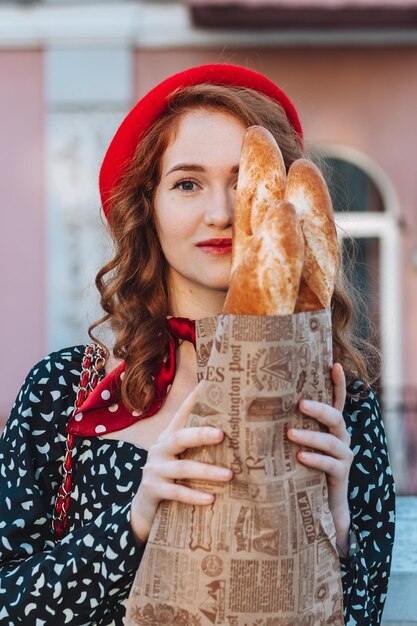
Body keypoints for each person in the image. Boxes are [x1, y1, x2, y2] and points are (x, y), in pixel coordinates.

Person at [0, 64, 394, 626]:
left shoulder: (339, 402)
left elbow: (363, 612)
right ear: (148, 209)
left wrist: (336, 524)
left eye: (244, 182)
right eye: (188, 183)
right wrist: (135, 520)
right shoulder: (63, 392)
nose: (222, 213)